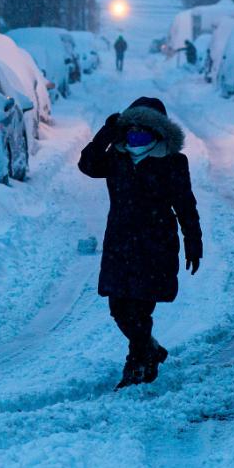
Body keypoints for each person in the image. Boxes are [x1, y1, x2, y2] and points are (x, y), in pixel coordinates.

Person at [77, 97, 203, 390]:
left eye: (143, 131)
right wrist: (105, 134)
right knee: (118, 307)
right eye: (131, 130)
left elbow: (185, 205)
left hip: (155, 245)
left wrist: (193, 241)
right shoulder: (116, 157)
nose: (136, 137)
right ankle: (150, 349)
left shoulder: (172, 162)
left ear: (157, 133)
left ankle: (137, 365)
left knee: (140, 309)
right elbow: (87, 164)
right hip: (120, 243)